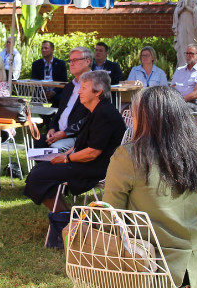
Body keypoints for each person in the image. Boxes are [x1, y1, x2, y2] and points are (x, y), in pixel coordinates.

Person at [103, 86, 197, 288]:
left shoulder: (128, 155)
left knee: (82, 236)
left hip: (154, 261)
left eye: (134, 111)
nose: (131, 117)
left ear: (145, 117)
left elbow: (110, 214)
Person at [24, 70, 126, 212]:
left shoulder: (105, 113)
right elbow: (81, 142)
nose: (79, 92)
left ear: (98, 92)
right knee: (39, 170)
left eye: (84, 88)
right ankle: (67, 219)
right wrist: (65, 155)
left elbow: (93, 152)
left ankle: (66, 221)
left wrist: (66, 158)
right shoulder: (96, 110)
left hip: (96, 167)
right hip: (85, 162)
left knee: (38, 176)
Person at [42, 47, 95, 151]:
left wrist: (64, 134)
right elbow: (59, 112)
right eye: (70, 60)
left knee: (54, 149)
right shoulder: (69, 86)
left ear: (87, 61)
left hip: (78, 136)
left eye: (75, 60)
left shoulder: (95, 85)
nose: (71, 63)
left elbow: (90, 119)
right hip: (58, 133)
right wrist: (52, 128)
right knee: (36, 144)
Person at [173, 0, 197, 68]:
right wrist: (183, 7)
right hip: (182, 23)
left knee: (192, 41)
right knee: (182, 41)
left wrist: (188, 7)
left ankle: (193, 63)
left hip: (191, 24)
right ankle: (182, 63)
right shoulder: (182, 0)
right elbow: (176, 12)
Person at [171, 44, 197, 108]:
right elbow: (172, 88)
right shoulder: (179, 70)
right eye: (187, 53)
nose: (188, 56)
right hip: (176, 102)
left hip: (194, 103)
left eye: (191, 53)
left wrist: (179, 101)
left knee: (174, 110)